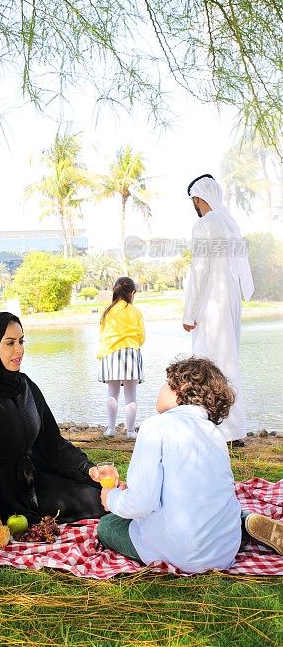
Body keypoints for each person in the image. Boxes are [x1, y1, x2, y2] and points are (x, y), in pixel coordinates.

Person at [96, 357, 283, 573]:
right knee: (215, 508)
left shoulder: (154, 427)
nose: (161, 387)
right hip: (224, 552)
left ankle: (243, 522)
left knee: (108, 525)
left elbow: (142, 503)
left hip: (180, 553)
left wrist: (110, 497)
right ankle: (244, 522)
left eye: (167, 382)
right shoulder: (215, 433)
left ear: (181, 388)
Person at [0, 311, 105, 524]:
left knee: (100, 497)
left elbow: (52, 445)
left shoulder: (24, 386)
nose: (19, 350)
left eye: (21, 341)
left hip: (34, 484)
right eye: (9, 343)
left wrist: (88, 469)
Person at [183, 174, 254, 445]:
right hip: (231, 302)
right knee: (228, 362)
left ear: (198, 198)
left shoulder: (205, 224)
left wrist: (190, 313)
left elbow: (199, 270)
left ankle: (216, 429)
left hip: (212, 305)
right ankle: (233, 430)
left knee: (207, 365)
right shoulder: (230, 222)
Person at [97, 277, 145, 438]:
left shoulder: (108, 311)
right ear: (132, 293)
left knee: (112, 393)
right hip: (131, 352)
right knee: (131, 395)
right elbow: (141, 337)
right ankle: (130, 431)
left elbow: (102, 336)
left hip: (111, 353)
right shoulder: (135, 311)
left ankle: (111, 429)